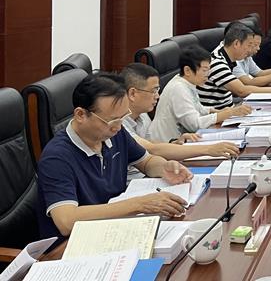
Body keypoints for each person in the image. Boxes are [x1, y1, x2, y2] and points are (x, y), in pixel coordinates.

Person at [37, 73, 193, 237]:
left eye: (123, 118)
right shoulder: (57, 157)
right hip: (76, 241)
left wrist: (165, 167)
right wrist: (139, 204)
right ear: (81, 115)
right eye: (112, 121)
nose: (118, 127)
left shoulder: (114, 132)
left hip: (113, 226)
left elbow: (146, 162)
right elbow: (66, 221)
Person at [119, 62, 241, 180]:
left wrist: (174, 143)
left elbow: (150, 143)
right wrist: (208, 149)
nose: (157, 96)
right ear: (132, 93)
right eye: (153, 91)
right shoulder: (119, 122)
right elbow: (151, 149)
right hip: (133, 182)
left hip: (149, 173)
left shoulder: (142, 114)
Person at [149, 45, 252, 143]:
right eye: (204, 70)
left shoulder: (187, 82)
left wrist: (216, 111)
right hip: (166, 142)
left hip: (181, 139)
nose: (207, 75)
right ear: (187, 70)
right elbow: (194, 125)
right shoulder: (178, 88)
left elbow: (197, 108)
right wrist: (228, 113)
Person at [198, 22, 271, 109]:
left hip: (229, 109)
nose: (249, 50)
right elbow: (242, 90)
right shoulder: (218, 63)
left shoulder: (226, 55)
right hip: (219, 115)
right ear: (236, 44)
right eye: (249, 45)